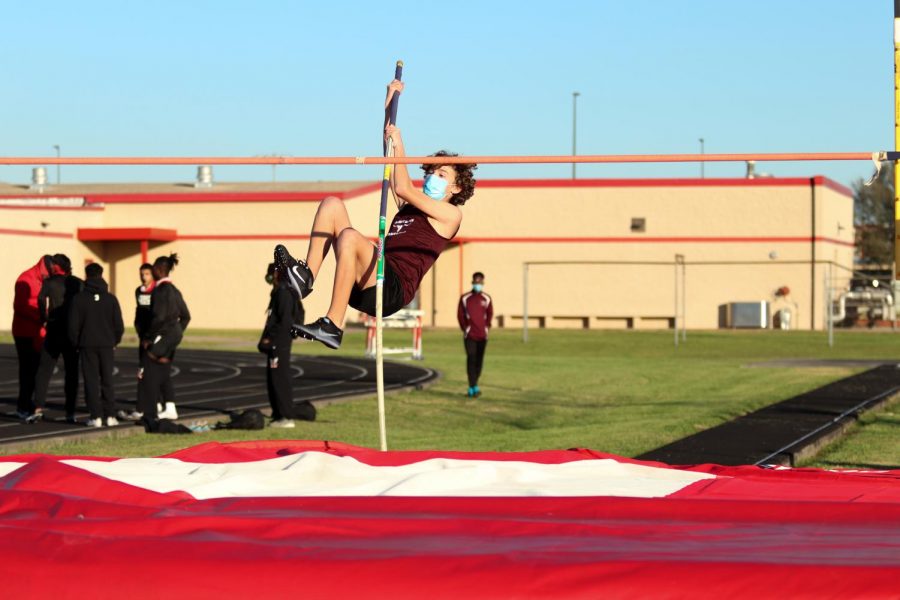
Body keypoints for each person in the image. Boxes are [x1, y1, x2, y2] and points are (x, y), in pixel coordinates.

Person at [275, 78, 477, 349]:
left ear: (456, 186)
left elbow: (403, 186)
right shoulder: (410, 208)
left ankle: (333, 325)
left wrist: (401, 140)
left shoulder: (450, 216)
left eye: (441, 174)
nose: (432, 177)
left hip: (391, 290)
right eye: (431, 172)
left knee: (348, 236)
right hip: (369, 278)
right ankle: (306, 277)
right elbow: (389, 157)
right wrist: (389, 105)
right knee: (332, 204)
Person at [258, 263, 315, 428]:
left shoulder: (283, 293)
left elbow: (284, 321)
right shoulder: (284, 291)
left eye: (271, 273)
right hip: (279, 343)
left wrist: (273, 340)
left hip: (279, 344)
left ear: (276, 274)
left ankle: (285, 417)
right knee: (275, 378)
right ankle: (278, 413)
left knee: (279, 379)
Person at [68, 263, 124, 427]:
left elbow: (73, 326)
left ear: (86, 276)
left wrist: (77, 343)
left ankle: (95, 416)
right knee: (107, 380)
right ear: (101, 275)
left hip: (87, 345)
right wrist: (115, 341)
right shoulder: (111, 298)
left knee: (91, 380)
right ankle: (111, 416)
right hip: (107, 345)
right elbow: (118, 325)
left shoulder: (78, 299)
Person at [138, 253, 190, 422]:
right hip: (171, 338)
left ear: (160, 270)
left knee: (149, 374)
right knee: (164, 374)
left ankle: (151, 412)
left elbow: (159, 317)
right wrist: (177, 333)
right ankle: (169, 407)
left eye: (153, 269)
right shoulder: (175, 290)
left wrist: (149, 337)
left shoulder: (161, 291)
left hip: (161, 337)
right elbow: (186, 316)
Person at [33, 254, 83, 423]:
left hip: (54, 329)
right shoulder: (77, 282)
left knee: (44, 371)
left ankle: (38, 407)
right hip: (72, 332)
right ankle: (70, 412)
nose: (50, 266)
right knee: (71, 373)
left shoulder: (49, 282)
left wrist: (43, 318)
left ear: (58, 266)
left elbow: (40, 300)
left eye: (53, 264)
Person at [12, 255, 55, 420]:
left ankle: (29, 403)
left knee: (36, 370)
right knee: (27, 371)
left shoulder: (43, 279)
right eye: (48, 273)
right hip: (24, 333)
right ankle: (22, 405)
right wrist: (40, 316)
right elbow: (19, 306)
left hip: (38, 333)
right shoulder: (26, 279)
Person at [120, 263, 155, 421]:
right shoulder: (138, 291)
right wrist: (139, 328)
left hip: (155, 337)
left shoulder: (158, 291)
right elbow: (139, 311)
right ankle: (144, 405)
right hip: (143, 336)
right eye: (142, 274)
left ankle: (151, 405)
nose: (143, 277)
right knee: (142, 369)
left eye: (147, 274)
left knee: (155, 370)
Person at [457, 272, 493, 398]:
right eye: (476, 282)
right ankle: (472, 387)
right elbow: (460, 315)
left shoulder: (487, 298)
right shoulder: (465, 298)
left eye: (480, 282)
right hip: (470, 336)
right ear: (472, 282)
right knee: (471, 359)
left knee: (479, 361)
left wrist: (486, 327)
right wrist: (465, 328)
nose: (478, 284)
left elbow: (489, 314)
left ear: (483, 283)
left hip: (482, 336)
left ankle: (474, 384)